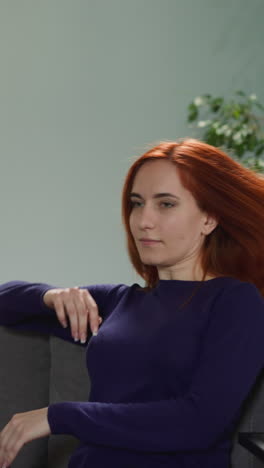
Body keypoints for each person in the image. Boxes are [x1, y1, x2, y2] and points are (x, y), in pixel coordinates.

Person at [0, 137, 264, 468]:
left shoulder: (235, 302)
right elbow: (5, 302)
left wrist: (60, 416)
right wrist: (49, 295)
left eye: (165, 204)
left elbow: (199, 423)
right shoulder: (119, 302)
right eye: (137, 203)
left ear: (209, 219)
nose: (143, 221)